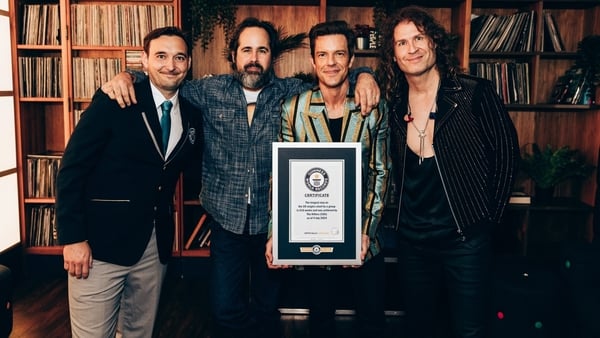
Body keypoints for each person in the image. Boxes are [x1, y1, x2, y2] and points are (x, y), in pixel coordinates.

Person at [100, 17, 381, 338]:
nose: (253, 57)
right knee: (223, 309)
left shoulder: (292, 93)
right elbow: (165, 79)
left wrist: (364, 75)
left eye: (262, 50)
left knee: (266, 306)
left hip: (272, 223)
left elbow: (333, 75)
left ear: (272, 56)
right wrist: (128, 74)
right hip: (225, 222)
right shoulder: (208, 90)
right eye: (246, 49)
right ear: (233, 55)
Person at [377, 6, 520, 338]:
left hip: (465, 239)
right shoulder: (394, 104)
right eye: (401, 43)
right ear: (393, 56)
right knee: (418, 326)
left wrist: (486, 222)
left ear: (434, 43)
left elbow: (507, 157)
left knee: (469, 329)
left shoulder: (473, 93)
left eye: (419, 38)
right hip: (413, 242)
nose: (411, 48)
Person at [56, 26, 200, 338]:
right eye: (160, 56)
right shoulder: (115, 99)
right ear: (144, 61)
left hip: (154, 246)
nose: (170, 65)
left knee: (139, 332)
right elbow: (71, 169)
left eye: (179, 57)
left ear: (188, 64)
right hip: (98, 245)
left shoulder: (191, 116)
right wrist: (73, 238)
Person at [265, 20, 390, 338]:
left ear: (351, 60)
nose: (331, 62)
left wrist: (364, 233)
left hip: (364, 240)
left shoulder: (372, 109)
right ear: (313, 61)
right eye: (323, 55)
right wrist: (276, 233)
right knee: (320, 320)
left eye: (339, 54)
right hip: (313, 240)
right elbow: (282, 179)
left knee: (372, 320)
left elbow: (380, 172)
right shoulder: (293, 110)